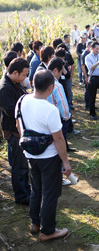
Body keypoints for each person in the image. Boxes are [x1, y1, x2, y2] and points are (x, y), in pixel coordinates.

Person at [15, 69, 71, 241]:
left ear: (32, 83)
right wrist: (66, 162)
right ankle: (47, 231)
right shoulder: (50, 110)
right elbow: (59, 139)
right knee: (50, 194)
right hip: (49, 157)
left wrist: (28, 148)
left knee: (36, 190)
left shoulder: (22, 100)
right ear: (51, 87)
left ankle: (35, 223)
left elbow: (19, 125)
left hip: (31, 155)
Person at [0, 58, 30, 205]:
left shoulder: (15, 83)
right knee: (19, 166)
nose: (25, 78)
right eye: (24, 75)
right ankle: (22, 197)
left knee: (23, 164)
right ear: (15, 72)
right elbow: (12, 111)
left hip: (19, 130)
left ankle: (26, 191)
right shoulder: (5, 88)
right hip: (14, 131)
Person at [47, 58, 75, 152]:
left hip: (45, 118)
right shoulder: (57, 86)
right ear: (55, 70)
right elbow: (62, 104)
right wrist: (66, 117)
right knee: (59, 141)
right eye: (60, 72)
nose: (61, 75)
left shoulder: (41, 80)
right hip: (58, 118)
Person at [85, 41, 99, 120]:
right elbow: (90, 67)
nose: (98, 50)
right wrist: (98, 62)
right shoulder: (88, 57)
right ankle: (92, 113)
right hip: (93, 77)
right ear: (92, 48)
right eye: (96, 49)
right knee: (92, 96)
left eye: (98, 48)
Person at [81, 40, 93, 110]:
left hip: (91, 74)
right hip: (86, 74)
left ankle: (91, 104)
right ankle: (87, 105)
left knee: (91, 90)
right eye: (91, 46)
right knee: (87, 90)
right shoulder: (84, 54)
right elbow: (83, 66)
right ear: (87, 46)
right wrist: (85, 77)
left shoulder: (90, 54)